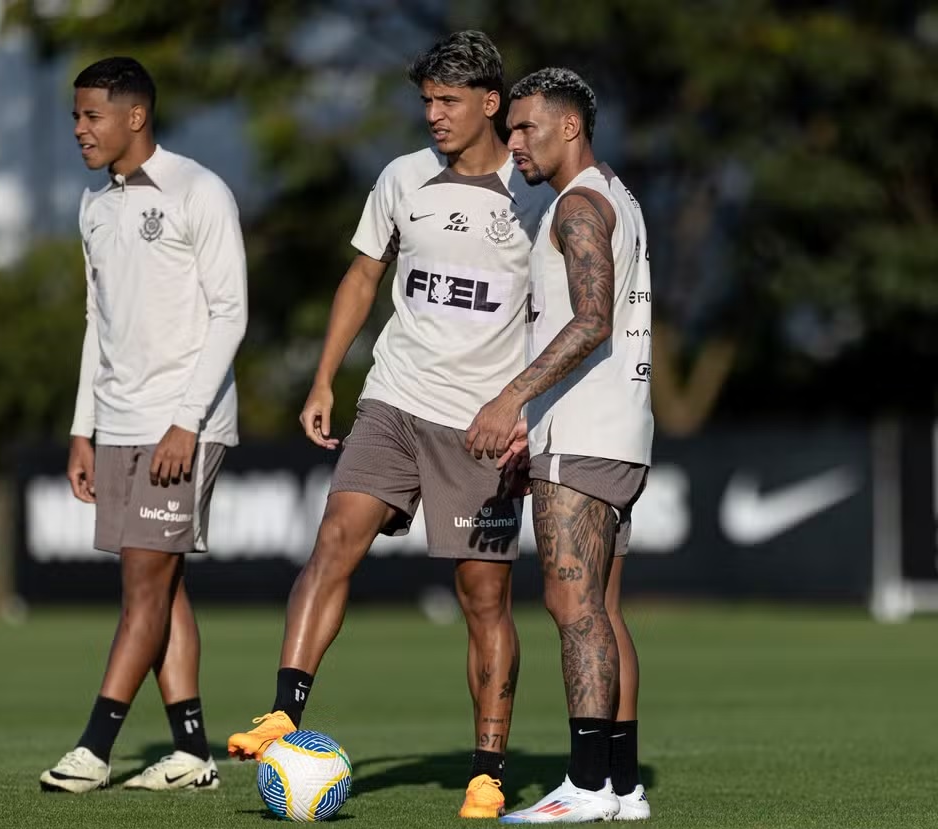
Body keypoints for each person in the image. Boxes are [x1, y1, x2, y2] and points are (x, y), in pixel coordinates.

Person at [227, 31, 551, 819]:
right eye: (426, 101)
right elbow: (363, 274)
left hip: (479, 428)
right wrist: (322, 380)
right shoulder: (403, 177)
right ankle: (284, 710)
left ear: (490, 104)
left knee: (482, 598)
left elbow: (561, 319)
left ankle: (486, 768)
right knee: (334, 539)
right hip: (393, 402)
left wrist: (524, 412)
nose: (433, 116)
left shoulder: (537, 196)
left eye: (448, 101)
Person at [40, 56, 248, 794]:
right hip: (120, 421)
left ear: (135, 116)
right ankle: (192, 751)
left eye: (91, 115)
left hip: (183, 425)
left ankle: (95, 745)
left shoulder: (200, 191)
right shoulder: (95, 206)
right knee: (164, 586)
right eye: (75, 116)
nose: (79, 130)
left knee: (144, 585)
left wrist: (186, 423)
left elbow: (232, 313)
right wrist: (82, 428)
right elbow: (99, 321)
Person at [465, 67, 653, 823]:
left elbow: (591, 318)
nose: (512, 144)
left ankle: (584, 784)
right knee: (602, 608)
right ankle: (622, 783)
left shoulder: (578, 205)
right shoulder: (619, 194)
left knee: (571, 603)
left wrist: (509, 396)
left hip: (587, 433)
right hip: (616, 429)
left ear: (568, 127)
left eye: (524, 128)